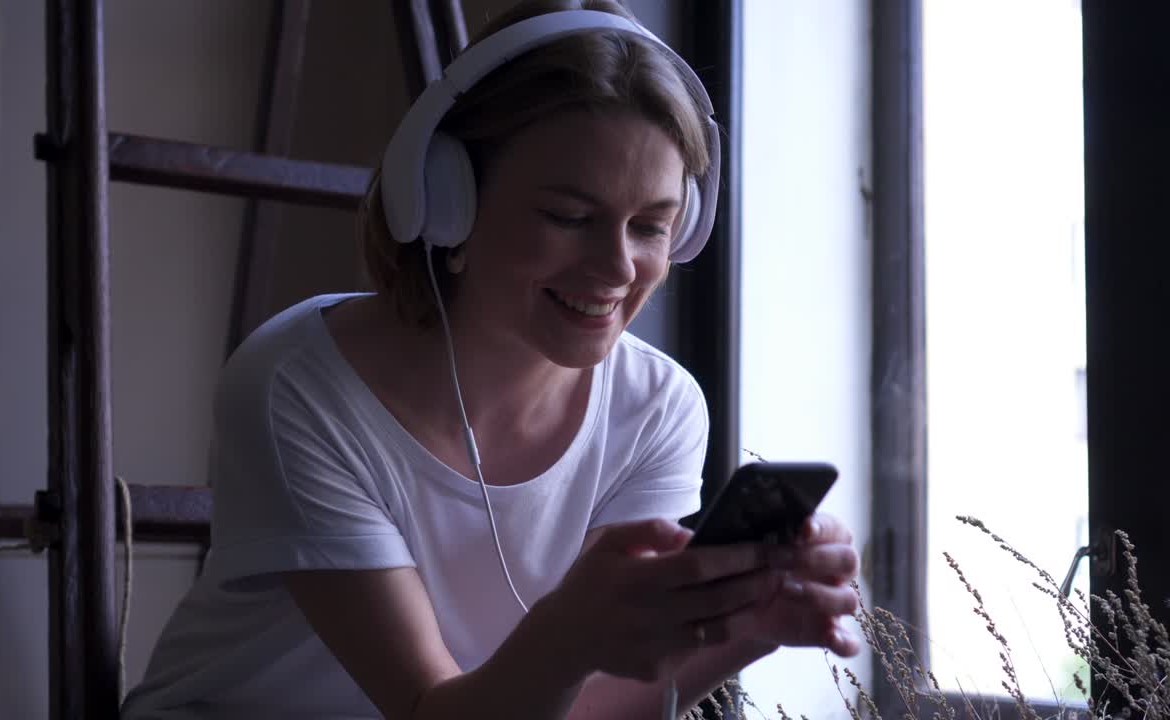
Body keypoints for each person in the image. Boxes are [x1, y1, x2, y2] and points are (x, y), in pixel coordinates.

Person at [121, 1, 860, 718]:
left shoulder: (658, 409)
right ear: (447, 202)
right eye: (569, 217)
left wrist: (745, 632)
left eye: (651, 227)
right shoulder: (300, 387)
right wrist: (574, 630)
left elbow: (579, 707)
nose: (617, 268)